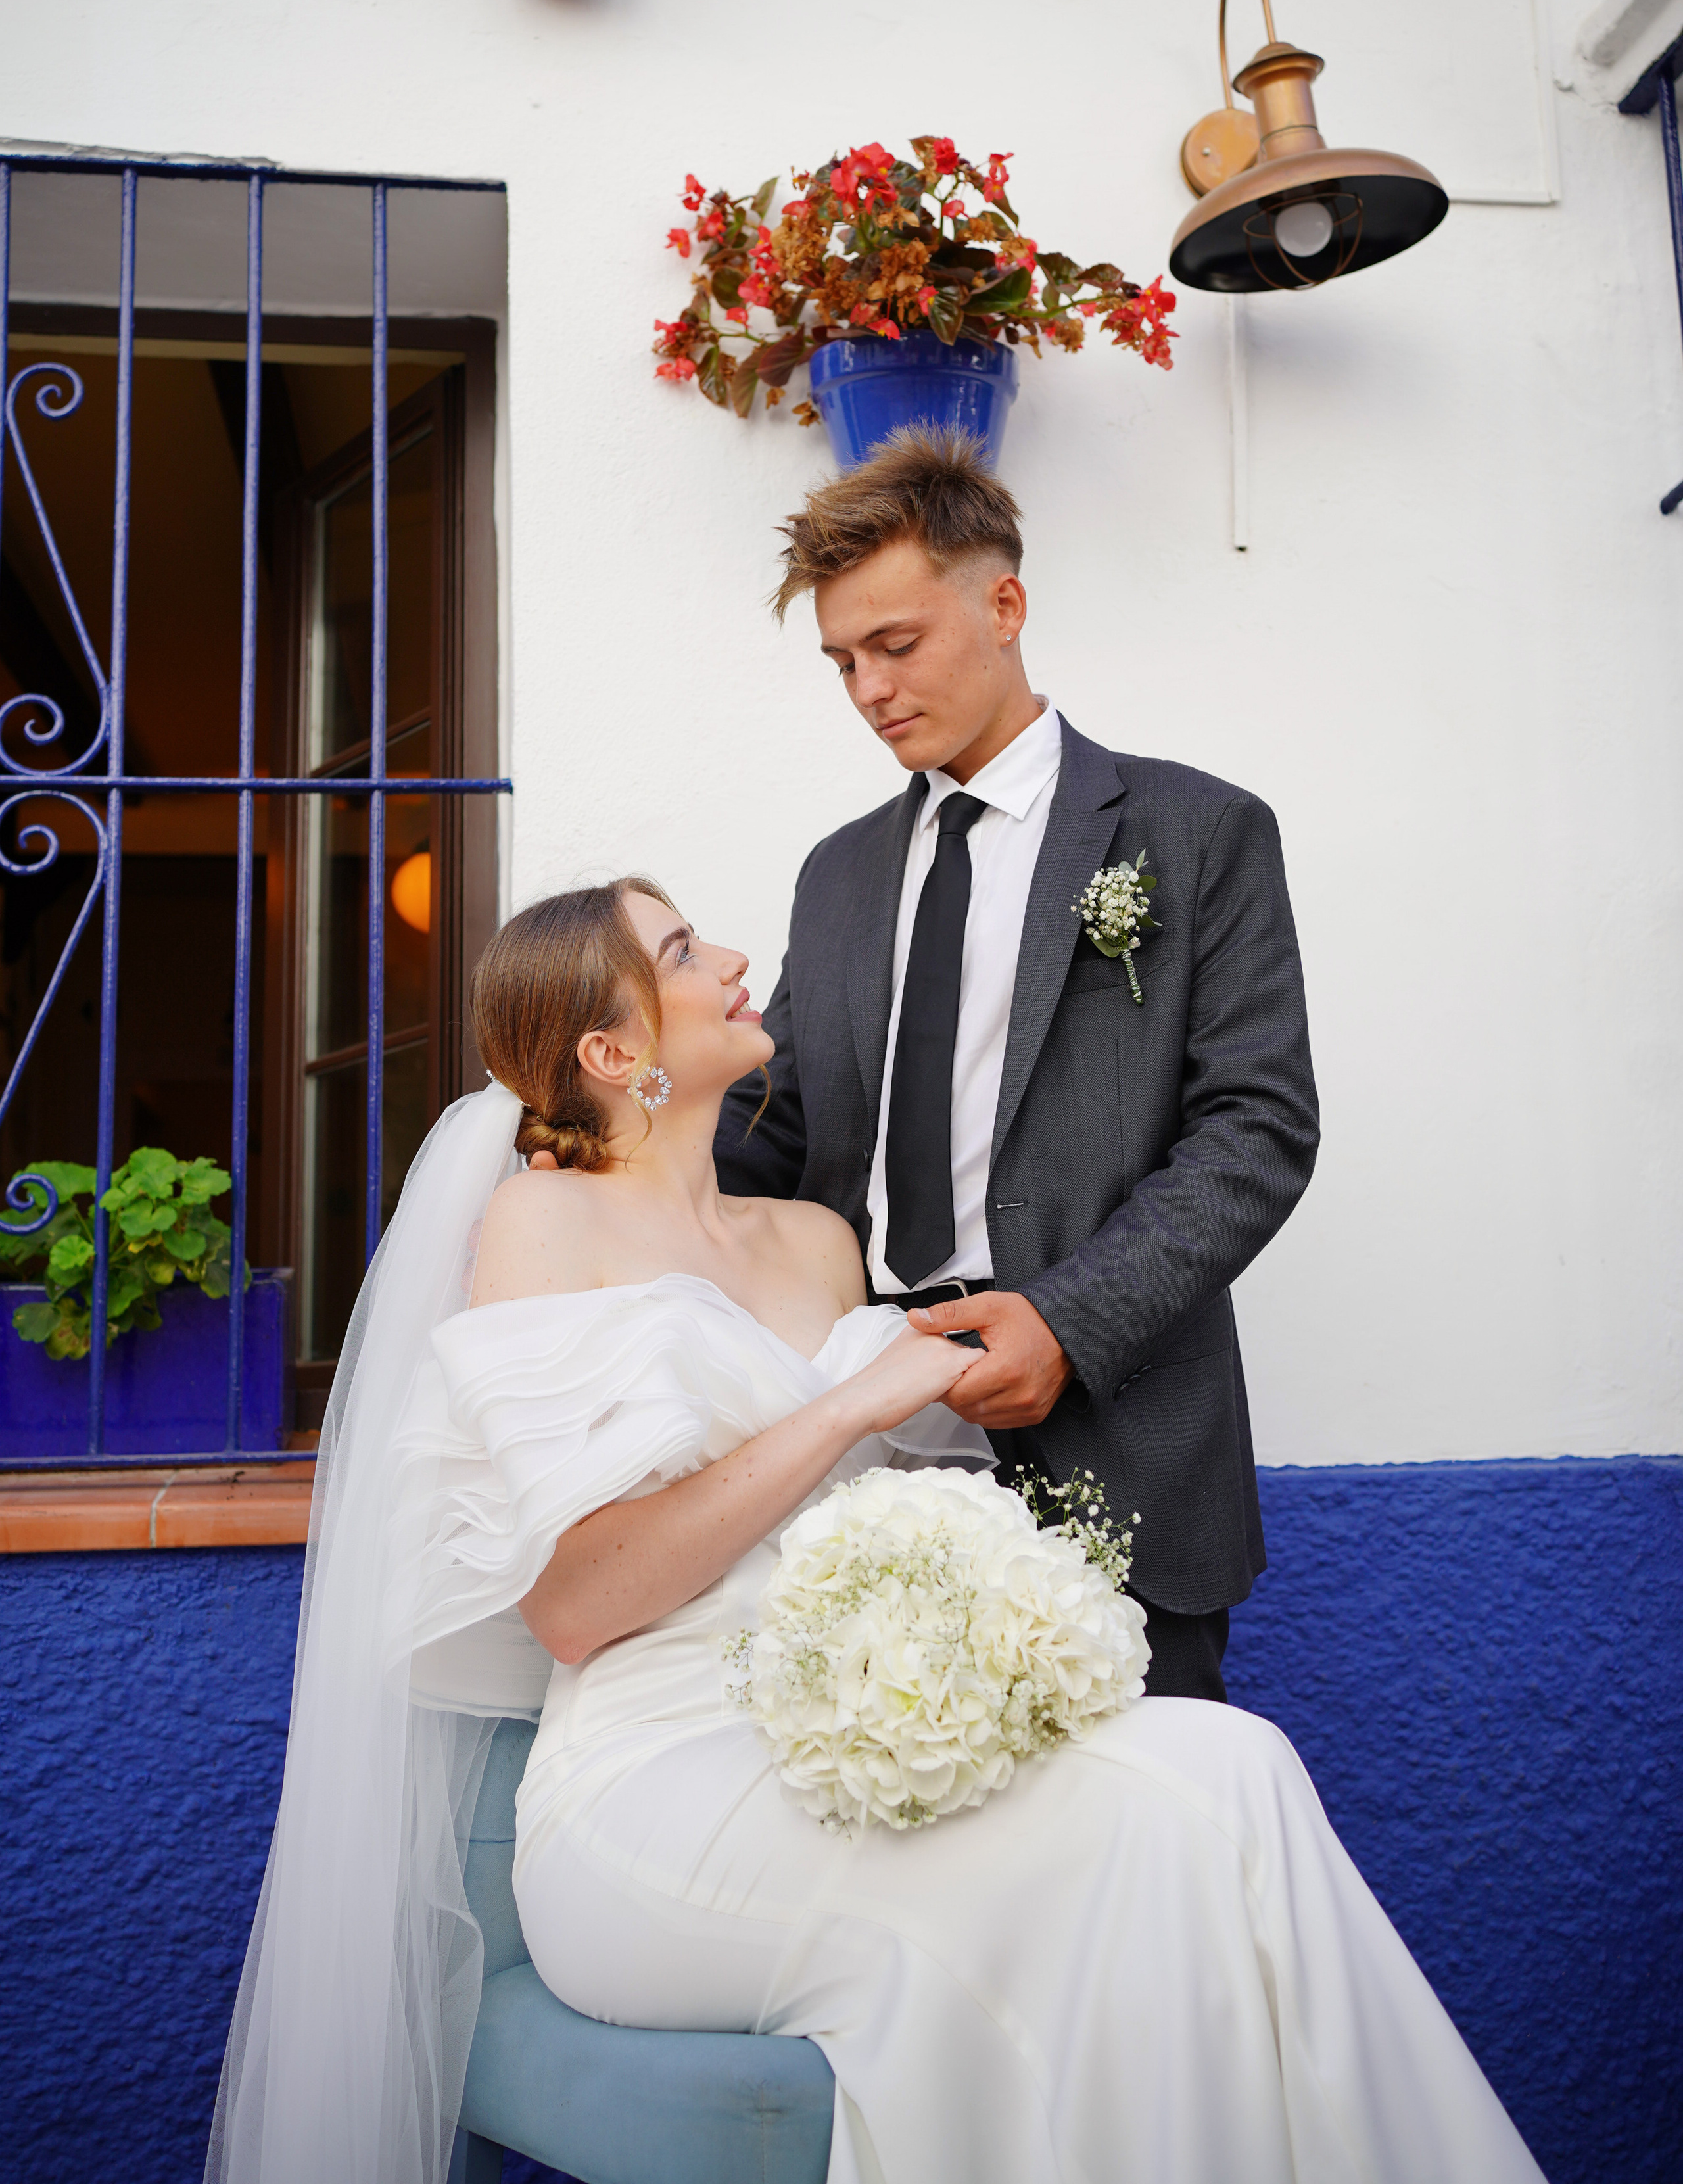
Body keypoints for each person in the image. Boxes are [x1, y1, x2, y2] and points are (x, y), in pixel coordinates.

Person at [209, 881, 1545, 2184]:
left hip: (854, 1741)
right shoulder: (541, 1222)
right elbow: (575, 1603)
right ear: (613, 1052)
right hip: (656, 1787)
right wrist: (853, 1403)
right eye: (680, 949)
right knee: (1157, 1832)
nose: (731, 958)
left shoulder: (811, 1242)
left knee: (1229, 1764)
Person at [717, 425, 1319, 1700]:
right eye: (841, 663)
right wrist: (599, 1140)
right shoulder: (835, 876)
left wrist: (1065, 1319)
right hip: (861, 1441)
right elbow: (782, 1125)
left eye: (895, 645)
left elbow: (1255, 1127)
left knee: (1136, 1872)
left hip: (1121, 1441)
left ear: (1002, 605)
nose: (869, 690)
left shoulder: (1195, 831)